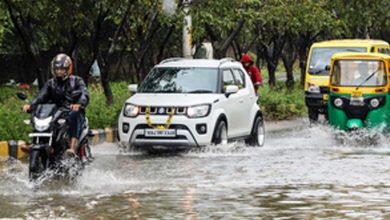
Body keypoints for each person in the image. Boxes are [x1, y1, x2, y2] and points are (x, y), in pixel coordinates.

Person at [23, 53, 89, 155]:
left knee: (73, 115)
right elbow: (41, 96)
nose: (59, 71)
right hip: (56, 113)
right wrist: (31, 106)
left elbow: (84, 94)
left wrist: (79, 104)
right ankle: (36, 142)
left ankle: (72, 146)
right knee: (39, 117)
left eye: (62, 69)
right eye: (57, 69)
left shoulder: (76, 81)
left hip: (71, 111)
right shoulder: (51, 83)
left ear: (68, 69)